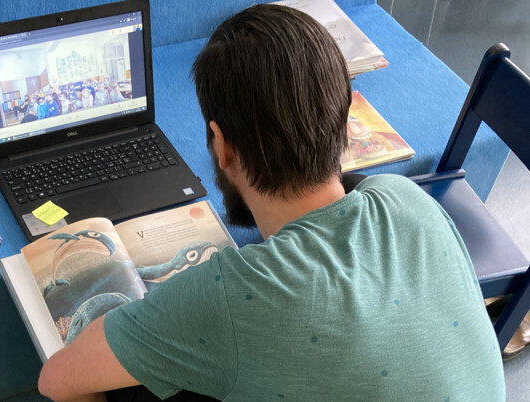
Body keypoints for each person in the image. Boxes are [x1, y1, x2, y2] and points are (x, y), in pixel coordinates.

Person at [38, 4, 505, 402]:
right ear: (346, 119)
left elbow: (57, 381)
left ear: (222, 145)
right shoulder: (406, 197)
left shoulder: (234, 293)